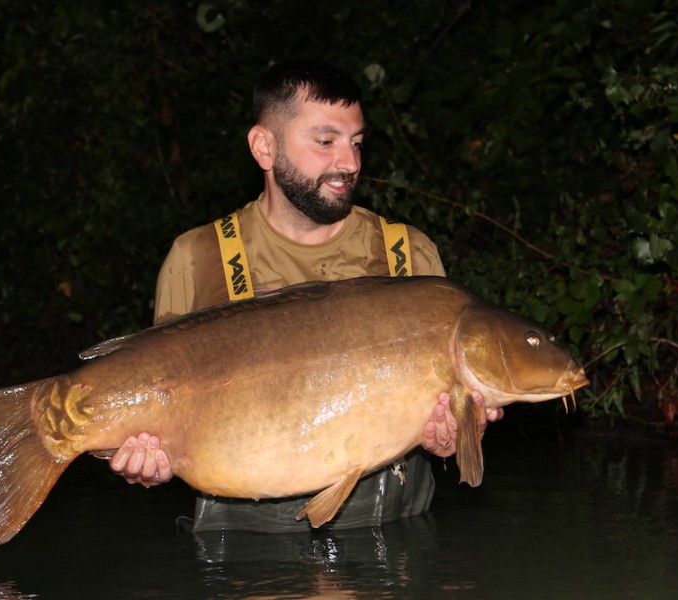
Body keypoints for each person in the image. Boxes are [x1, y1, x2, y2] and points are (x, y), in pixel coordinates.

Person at [110, 59, 501, 532]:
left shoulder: (409, 254)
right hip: (245, 555)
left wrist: (452, 439)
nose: (350, 163)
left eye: (357, 143)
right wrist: (145, 467)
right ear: (264, 147)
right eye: (325, 142)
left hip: (393, 544)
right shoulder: (197, 258)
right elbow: (159, 418)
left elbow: (446, 433)